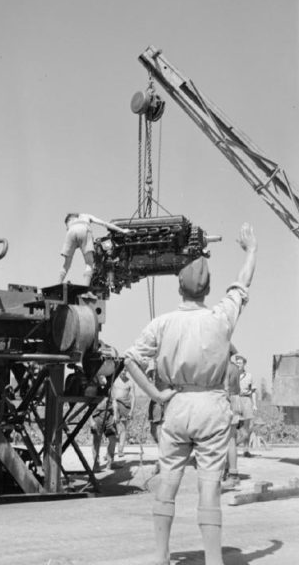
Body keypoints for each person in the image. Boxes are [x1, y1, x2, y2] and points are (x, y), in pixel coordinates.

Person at [123, 223, 257, 565]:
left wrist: (158, 393)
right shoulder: (221, 317)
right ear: (208, 288)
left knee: (168, 483)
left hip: (178, 405)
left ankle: (160, 557)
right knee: (209, 488)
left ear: (179, 287)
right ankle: (214, 560)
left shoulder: (162, 324)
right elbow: (241, 286)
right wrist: (251, 251)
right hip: (212, 405)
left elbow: (130, 360)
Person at [59, 213, 130, 286]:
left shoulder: (69, 223)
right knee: (89, 263)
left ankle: (58, 283)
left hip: (70, 232)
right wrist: (122, 230)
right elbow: (104, 223)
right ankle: (86, 289)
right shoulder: (86, 216)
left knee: (66, 264)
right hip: (84, 229)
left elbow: (74, 236)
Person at [222, 347, 242, 489]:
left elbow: (225, 389)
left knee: (225, 440)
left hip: (227, 402)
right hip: (236, 401)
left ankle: (227, 473)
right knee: (232, 439)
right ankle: (233, 472)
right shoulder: (235, 368)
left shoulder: (223, 368)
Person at [235, 354, 257, 457]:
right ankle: (232, 448)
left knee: (247, 426)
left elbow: (253, 391)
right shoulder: (232, 375)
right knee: (234, 425)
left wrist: (254, 405)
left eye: (240, 363)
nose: (238, 364)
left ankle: (246, 450)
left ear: (244, 364)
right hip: (235, 399)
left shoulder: (249, 376)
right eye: (237, 363)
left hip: (246, 399)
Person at [112, 367, 136, 458]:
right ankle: (110, 451)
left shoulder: (130, 382)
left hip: (125, 406)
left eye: (125, 370)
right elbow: (111, 394)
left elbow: (133, 397)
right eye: (121, 370)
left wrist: (131, 411)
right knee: (112, 428)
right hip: (114, 404)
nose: (123, 372)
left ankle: (120, 449)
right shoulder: (114, 381)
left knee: (123, 428)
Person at [90, 396, 118, 470]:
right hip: (97, 415)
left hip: (109, 415)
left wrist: (115, 415)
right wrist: (91, 420)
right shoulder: (96, 387)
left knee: (113, 439)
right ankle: (96, 463)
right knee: (96, 441)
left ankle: (110, 462)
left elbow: (114, 401)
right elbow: (89, 404)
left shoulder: (111, 387)